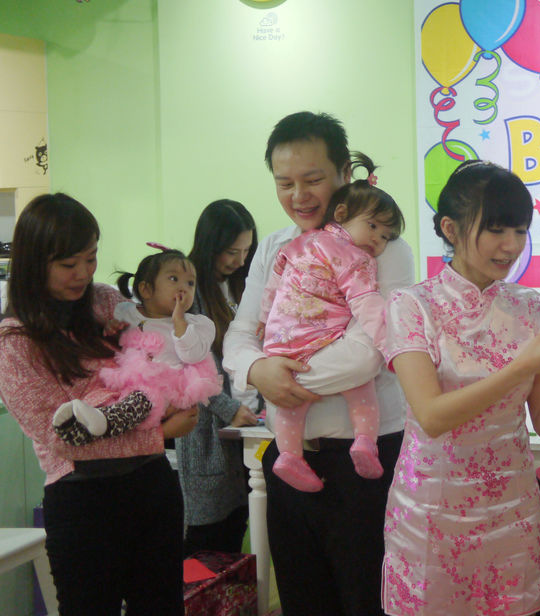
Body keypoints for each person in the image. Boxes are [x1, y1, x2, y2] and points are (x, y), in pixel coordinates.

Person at [381, 160, 540, 616]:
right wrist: (521, 367)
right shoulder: (412, 305)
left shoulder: (526, 305)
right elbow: (431, 416)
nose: (510, 245)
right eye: (495, 230)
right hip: (434, 510)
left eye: (520, 230)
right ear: (450, 229)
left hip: (513, 508)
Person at [223, 111, 414, 616]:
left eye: (312, 180)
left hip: (364, 461)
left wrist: (279, 377)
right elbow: (239, 336)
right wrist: (257, 371)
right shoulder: (275, 246)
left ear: (344, 176)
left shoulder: (383, 245)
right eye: (284, 183)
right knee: (303, 601)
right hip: (289, 460)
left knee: (367, 601)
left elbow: (367, 354)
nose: (298, 196)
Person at [0, 193, 197, 615]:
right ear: (34, 262)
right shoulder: (15, 343)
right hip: (83, 500)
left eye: (90, 258)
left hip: (152, 486)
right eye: (68, 264)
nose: (83, 273)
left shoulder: (105, 301)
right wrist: (159, 431)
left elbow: (157, 367)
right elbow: (64, 438)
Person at [260, 170, 404, 490]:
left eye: (385, 237)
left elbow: (275, 281)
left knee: (290, 403)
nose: (377, 240)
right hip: (321, 338)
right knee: (361, 387)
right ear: (341, 214)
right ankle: (365, 441)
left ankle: (288, 455)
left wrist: (263, 317)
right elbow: (367, 305)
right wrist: (390, 346)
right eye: (373, 227)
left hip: (281, 343)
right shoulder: (355, 258)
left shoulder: (300, 242)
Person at [53, 247, 222, 440]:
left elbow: (193, 355)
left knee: (142, 400)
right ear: (146, 289)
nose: (184, 287)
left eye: (190, 283)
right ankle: (82, 422)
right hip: (129, 381)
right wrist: (112, 328)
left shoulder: (197, 324)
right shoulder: (127, 312)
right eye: (174, 279)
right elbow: (116, 342)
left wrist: (179, 321)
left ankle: (102, 422)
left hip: (168, 387)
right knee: (112, 396)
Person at [178, 198, 260, 557]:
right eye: (231, 251)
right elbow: (188, 367)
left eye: (246, 251)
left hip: (248, 427)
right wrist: (228, 408)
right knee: (208, 541)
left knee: (237, 529)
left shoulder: (244, 286)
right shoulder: (190, 292)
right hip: (209, 435)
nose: (240, 260)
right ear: (210, 245)